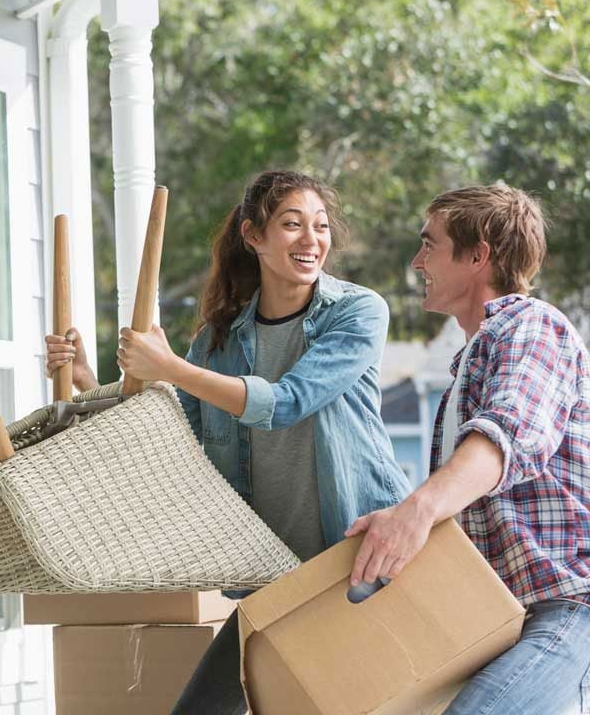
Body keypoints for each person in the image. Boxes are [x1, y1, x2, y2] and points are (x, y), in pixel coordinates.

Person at [47, 169, 411, 715]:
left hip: (355, 563)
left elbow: (284, 403)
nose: (311, 240)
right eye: (291, 225)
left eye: (320, 225)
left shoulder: (357, 312)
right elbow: (167, 429)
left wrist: (170, 366)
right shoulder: (217, 342)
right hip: (271, 576)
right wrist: (85, 379)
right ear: (253, 236)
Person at [347, 184, 590, 714]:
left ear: (478, 254)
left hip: (568, 609)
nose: (417, 261)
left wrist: (416, 511)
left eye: (429, 244)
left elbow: (509, 434)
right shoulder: (472, 362)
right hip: (501, 619)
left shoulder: (534, 327)